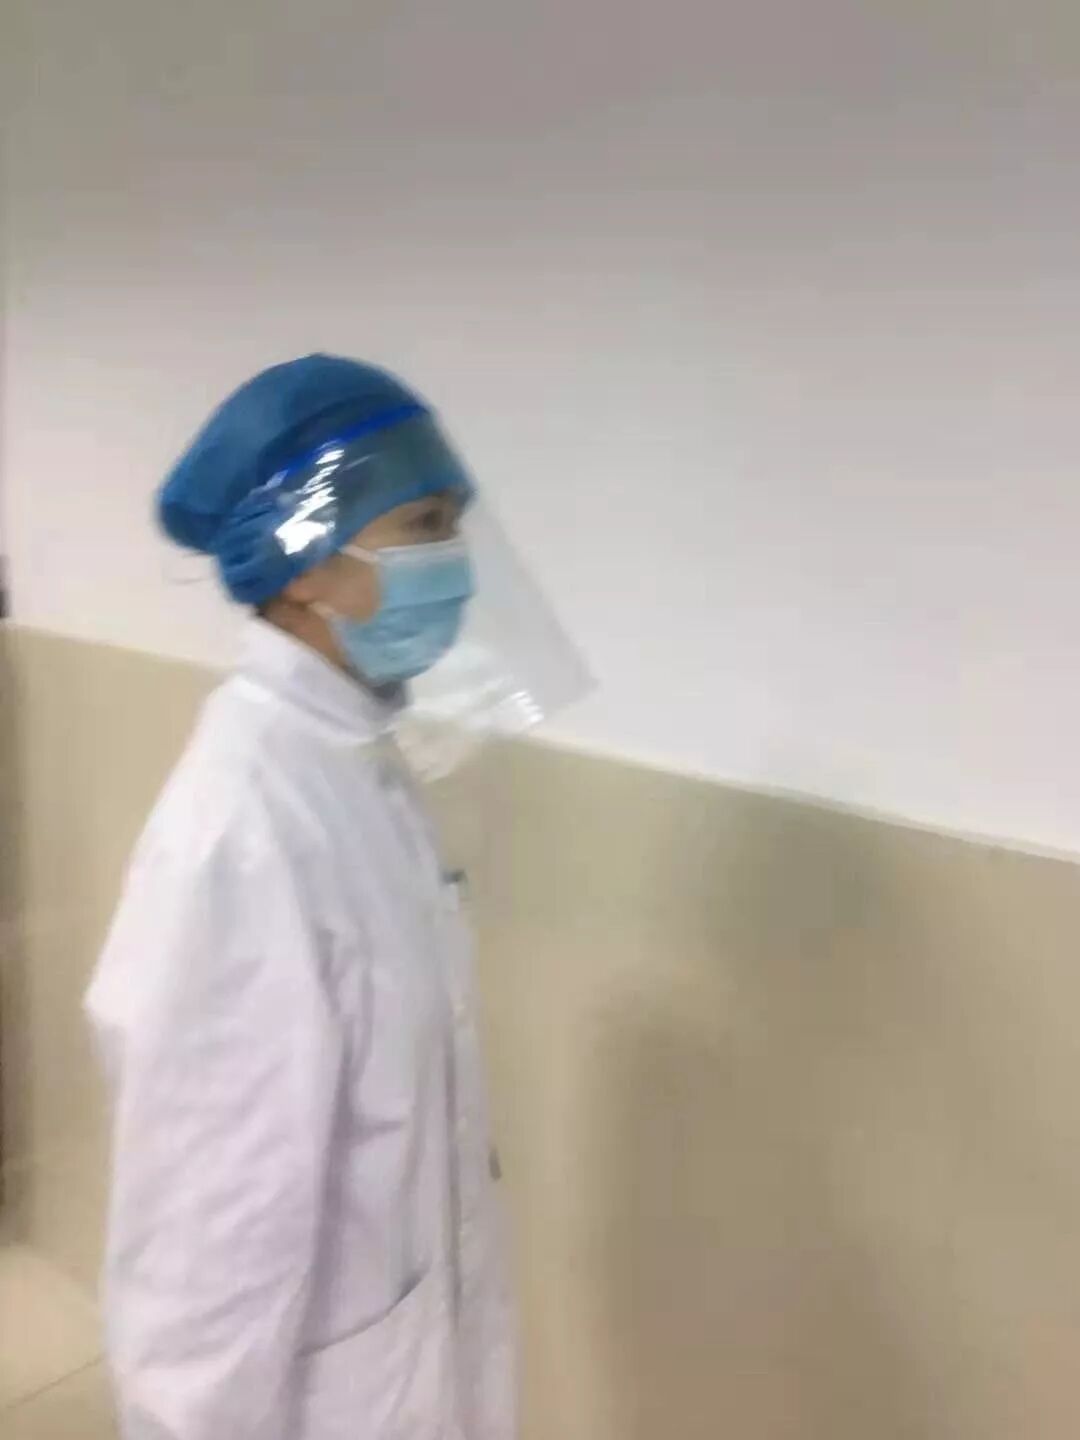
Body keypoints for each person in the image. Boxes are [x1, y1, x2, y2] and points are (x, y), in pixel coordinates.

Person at [85, 356, 516, 1440]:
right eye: (423, 524)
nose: (453, 562)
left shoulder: (356, 762)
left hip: (411, 1362)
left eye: (453, 524)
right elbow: (206, 1237)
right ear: (306, 563)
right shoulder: (239, 832)